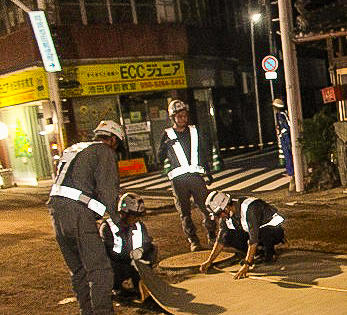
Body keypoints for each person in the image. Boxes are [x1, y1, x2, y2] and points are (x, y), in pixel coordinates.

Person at [47, 120, 129, 315]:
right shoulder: (105, 152)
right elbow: (108, 191)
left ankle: (87, 313)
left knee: (78, 269)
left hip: (56, 211)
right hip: (77, 214)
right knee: (99, 267)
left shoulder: (74, 149)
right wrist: (118, 224)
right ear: (112, 140)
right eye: (117, 144)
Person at [156, 98, 217, 252]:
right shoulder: (167, 134)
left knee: (207, 208)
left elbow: (202, 151)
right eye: (179, 116)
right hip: (178, 181)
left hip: (196, 177)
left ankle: (212, 235)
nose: (183, 118)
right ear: (173, 118)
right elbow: (159, 158)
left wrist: (208, 172)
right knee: (184, 213)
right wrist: (164, 148)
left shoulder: (194, 130)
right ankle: (194, 241)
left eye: (184, 115)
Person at [200, 191, 286, 280]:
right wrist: (209, 261)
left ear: (225, 208)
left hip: (273, 231)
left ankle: (269, 253)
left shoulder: (250, 208)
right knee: (228, 237)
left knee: (265, 232)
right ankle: (258, 253)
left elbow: (253, 240)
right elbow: (221, 239)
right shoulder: (227, 214)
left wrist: (246, 265)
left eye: (218, 214)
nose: (219, 217)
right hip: (256, 233)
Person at [99, 192, 158, 301]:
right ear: (124, 213)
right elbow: (109, 253)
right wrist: (129, 257)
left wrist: (141, 250)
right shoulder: (107, 227)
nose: (136, 219)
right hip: (117, 265)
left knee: (153, 249)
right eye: (134, 216)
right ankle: (116, 287)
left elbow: (147, 243)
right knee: (105, 261)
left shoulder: (138, 225)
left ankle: (139, 282)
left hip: (131, 263)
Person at [273, 98, 294, 181]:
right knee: (288, 154)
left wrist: (281, 132)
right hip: (285, 136)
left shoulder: (281, 115)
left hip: (285, 137)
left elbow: (286, 126)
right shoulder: (284, 113)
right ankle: (290, 171)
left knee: (288, 154)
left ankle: (291, 172)